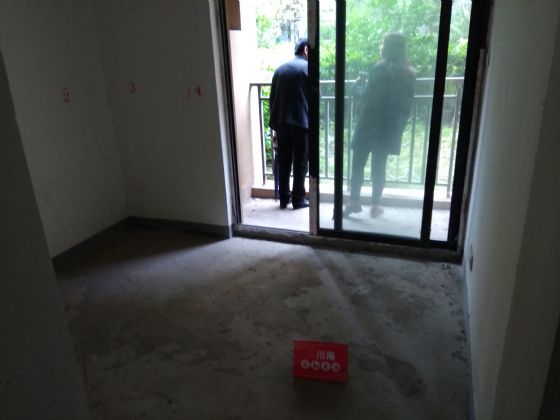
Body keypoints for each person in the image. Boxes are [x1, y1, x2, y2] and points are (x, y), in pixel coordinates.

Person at [344, 32, 416, 218]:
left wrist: (354, 89)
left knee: (358, 164)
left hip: (369, 124)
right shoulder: (409, 74)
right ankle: (375, 206)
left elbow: (368, 97)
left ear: (386, 47)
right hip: (389, 129)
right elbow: (407, 105)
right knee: (379, 166)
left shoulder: (379, 69)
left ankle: (354, 202)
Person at [269, 38, 310, 210]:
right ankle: (298, 199)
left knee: (284, 161)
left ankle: (284, 198)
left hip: (282, 123)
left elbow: (272, 99)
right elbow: (315, 98)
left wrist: (275, 124)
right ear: (306, 50)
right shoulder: (308, 69)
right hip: (301, 124)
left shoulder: (280, 70)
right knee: (300, 163)